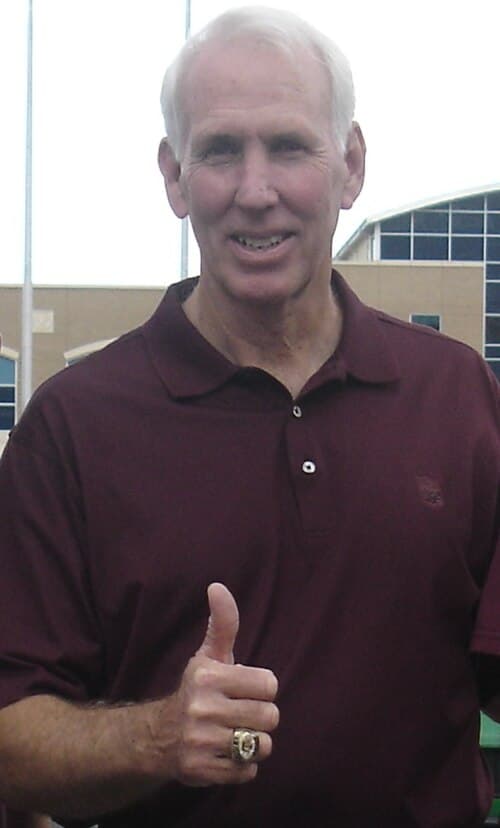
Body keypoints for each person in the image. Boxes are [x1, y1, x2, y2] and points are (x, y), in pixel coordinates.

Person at [0, 5, 499, 827]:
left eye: (290, 147)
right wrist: (158, 739)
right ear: (174, 175)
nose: (256, 192)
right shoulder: (72, 428)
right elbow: (11, 736)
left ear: (350, 164)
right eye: (222, 151)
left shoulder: (460, 399)